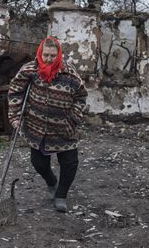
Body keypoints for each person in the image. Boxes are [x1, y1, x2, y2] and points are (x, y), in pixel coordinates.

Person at [8, 36, 87, 212]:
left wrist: (73, 117)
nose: (49, 59)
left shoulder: (70, 74)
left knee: (70, 163)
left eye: (53, 55)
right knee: (39, 163)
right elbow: (15, 92)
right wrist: (15, 116)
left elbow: (81, 97)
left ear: (59, 54)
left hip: (64, 128)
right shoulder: (30, 70)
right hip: (37, 127)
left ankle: (61, 194)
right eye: (46, 55)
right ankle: (51, 181)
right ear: (40, 53)